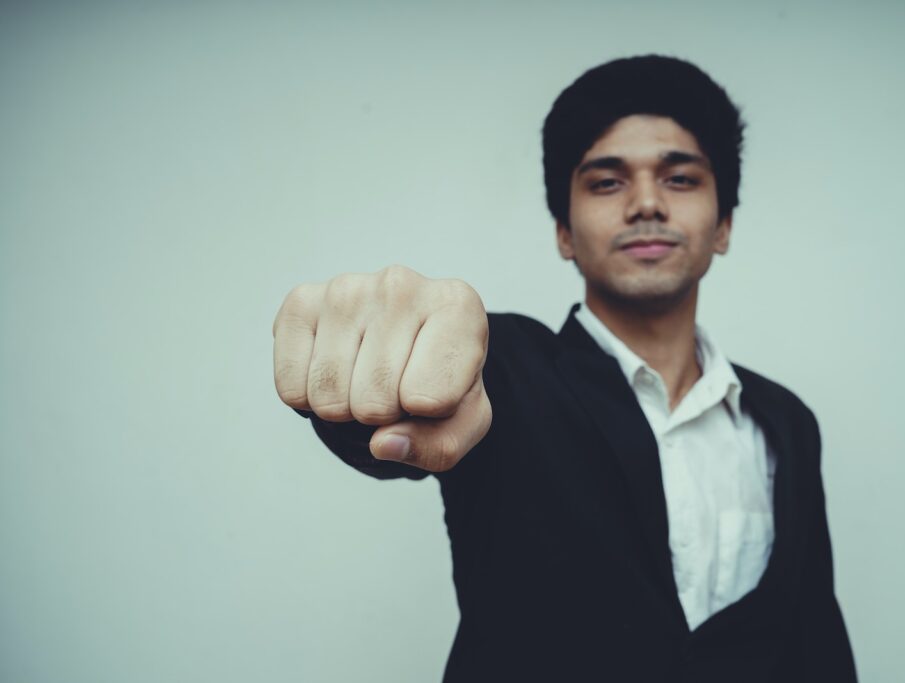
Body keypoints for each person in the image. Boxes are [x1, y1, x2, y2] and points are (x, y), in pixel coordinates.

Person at [272, 55, 857, 682]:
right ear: (564, 233)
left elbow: (813, 639)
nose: (647, 204)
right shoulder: (508, 370)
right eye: (606, 182)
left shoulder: (788, 422)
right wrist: (378, 371)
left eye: (681, 178)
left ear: (724, 225)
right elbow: (430, 397)